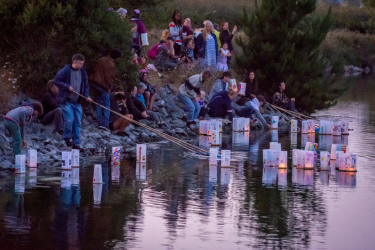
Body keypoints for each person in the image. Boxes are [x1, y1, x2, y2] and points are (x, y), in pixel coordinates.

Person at [54, 53, 93, 149]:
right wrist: (67, 87)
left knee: (77, 122)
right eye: (80, 64)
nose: (82, 66)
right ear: (74, 62)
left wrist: (87, 96)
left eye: (82, 64)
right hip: (66, 101)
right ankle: (66, 139)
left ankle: (76, 143)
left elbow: (86, 85)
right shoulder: (65, 70)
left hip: (77, 102)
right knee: (69, 120)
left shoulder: (83, 71)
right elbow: (56, 81)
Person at [89, 49, 122, 130]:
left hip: (95, 83)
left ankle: (99, 122)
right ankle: (105, 124)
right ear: (116, 57)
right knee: (107, 105)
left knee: (98, 103)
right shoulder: (111, 64)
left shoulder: (101, 59)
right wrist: (110, 87)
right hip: (103, 86)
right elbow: (109, 78)